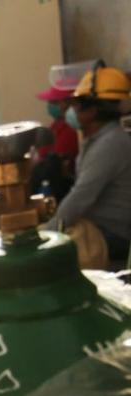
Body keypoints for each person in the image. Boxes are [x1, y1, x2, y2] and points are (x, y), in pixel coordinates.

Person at [47, 63, 131, 264]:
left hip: (112, 234)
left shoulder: (110, 144)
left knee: (49, 262)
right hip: (97, 227)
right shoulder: (98, 139)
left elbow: (81, 196)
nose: (71, 110)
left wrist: (49, 232)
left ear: (92, 110)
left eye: (75, 104)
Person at [32, 85, 79, 201]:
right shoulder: (56, 125)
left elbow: (55, 161)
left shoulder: (71, 130)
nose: (51, 105)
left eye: (54, 102)